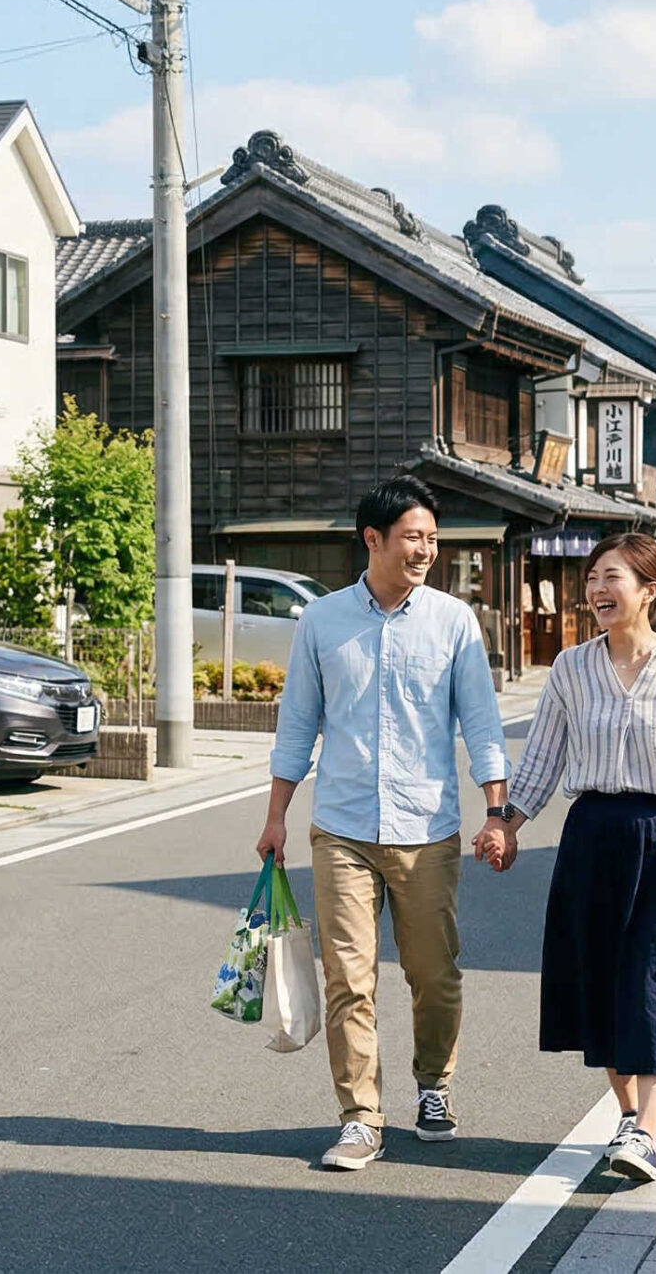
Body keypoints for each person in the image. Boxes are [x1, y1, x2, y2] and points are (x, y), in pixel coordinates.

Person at [473, 532, 656, 1184]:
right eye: (591, 576)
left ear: (650, 589)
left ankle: (646, 1130)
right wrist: (506, 823)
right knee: (600, 979)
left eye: (611, 575)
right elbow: (540, 760)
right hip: (591, 833)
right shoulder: (571, 666)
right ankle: (628, 1115)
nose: (596, 588)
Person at [258, 475, 508, 1172]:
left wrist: (496, 810)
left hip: (428, 827)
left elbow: (482, 724)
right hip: (340, 825)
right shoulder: (323, 621)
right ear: (373, 539)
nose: (426, 548)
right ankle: (361, 1115)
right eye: (413, 537)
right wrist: (276, 816)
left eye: (431, 537)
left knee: (433, 972)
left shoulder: (454, 621)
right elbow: (297, 726)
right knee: (348, 977)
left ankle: (434, 1085)